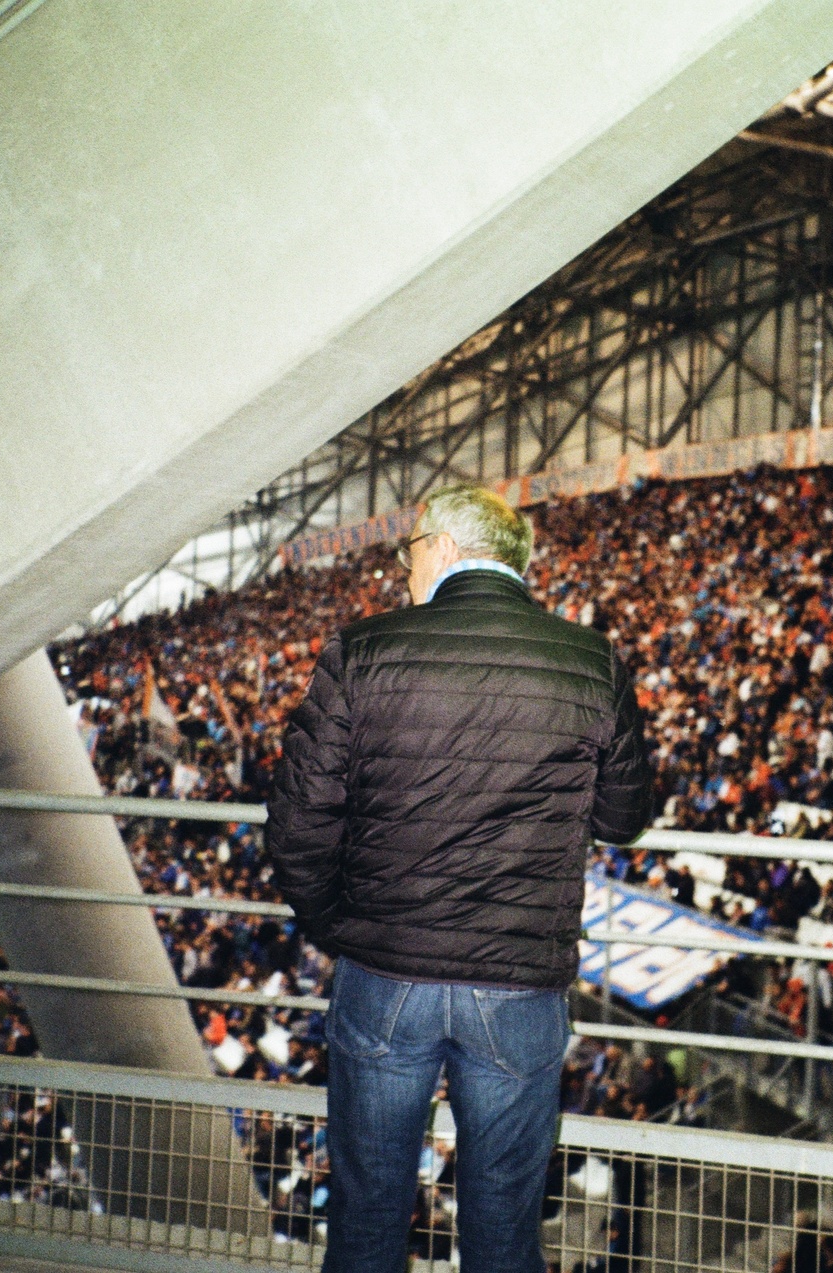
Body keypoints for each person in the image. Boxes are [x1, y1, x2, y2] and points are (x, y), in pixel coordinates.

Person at [267, 483, 654, 1273]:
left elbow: (297, 822)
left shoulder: (363, 650)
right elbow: (624, 814)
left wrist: (338, 926)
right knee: (505, 1225)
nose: (402, 568)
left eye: (408, 550)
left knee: (368, 1213)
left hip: (384, 972)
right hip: (518, 984)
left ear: (443, 548)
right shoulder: (592, 659)